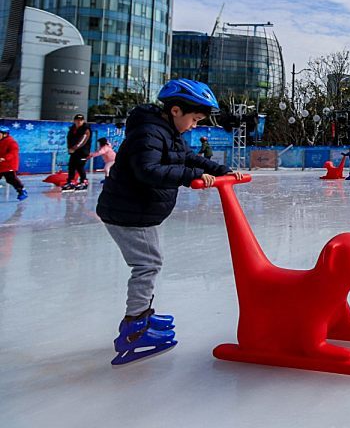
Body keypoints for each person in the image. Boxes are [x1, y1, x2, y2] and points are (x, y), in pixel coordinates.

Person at [97, 79, 242, 366]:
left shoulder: (166, 131)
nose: (194, 125)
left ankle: (144, 316)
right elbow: (149, 170)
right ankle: (134, 329)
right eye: (194, 119)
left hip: (138, 211)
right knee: (147, 265)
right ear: (176, 110)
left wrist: (221, 169)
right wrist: (190, 177)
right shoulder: (149, 133)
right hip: (127, 213)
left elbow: (186, 157)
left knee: (151, 261)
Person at [63, 113, 92, 191]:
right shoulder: (72, 129)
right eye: (77, 120)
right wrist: (69, 148)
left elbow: (83, 140)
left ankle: (84, 181)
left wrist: (74, 148)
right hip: (74, 152)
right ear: (74, 121)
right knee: (71, 166)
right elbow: (69, 139)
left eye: (81, 120)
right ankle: (71, 181)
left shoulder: (86, 129)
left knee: (80, 166)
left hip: (82, 152)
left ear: (83, 121)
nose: (79, 122)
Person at [0, 127, 27, 201]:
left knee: (10, 179)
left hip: (9, 164)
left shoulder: (11, 142)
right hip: (1, 164)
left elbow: (13, 152)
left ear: (5, 134)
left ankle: (22, 191)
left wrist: (4, 158)